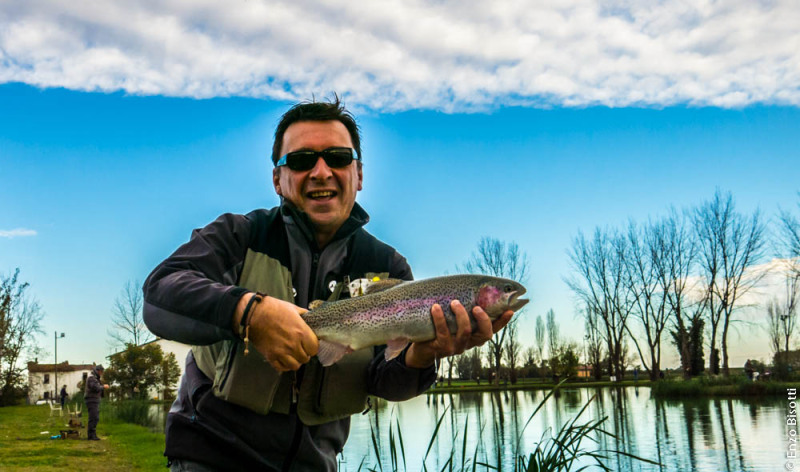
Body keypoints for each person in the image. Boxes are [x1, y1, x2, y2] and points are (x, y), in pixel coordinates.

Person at [142, 98, 517, 471]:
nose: (321, 172)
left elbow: (384, 380)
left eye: (337, 157)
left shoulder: (387, 267)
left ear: (359, 174)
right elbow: (160, 292)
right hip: (211, 456)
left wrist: (422, 356)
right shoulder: (239, 236)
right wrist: (248, 313)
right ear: (277, 179)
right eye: (301, 160)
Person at [84, 364, 109, 441]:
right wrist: (103, 387)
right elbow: (95, 388)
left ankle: (92, 435)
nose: (101, 373)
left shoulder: (95, 378)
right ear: (97, 371)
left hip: (94, 400)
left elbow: (97, 387)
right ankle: (91, 436)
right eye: (101, 371)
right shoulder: (92, 378)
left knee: (95, 417)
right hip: (91, 400)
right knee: (93, 417)